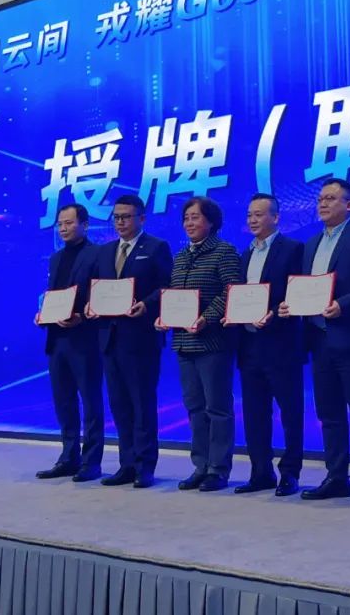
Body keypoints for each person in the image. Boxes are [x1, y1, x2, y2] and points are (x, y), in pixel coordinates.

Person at [279, 177, 350, 507]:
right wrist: (290, 305)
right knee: (329, 413)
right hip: (319, 339)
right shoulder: (311, 243)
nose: (322, 204)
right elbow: (307, 289)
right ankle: (336, 477)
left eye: (330, 198)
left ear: (349, 205)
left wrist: (344, 304)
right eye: (320, 199)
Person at [85, 194, 172, 489]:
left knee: (142, 404)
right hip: (109, 338)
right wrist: (90, 305)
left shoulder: (156, 247)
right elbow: (95, 289)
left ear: (141, 218)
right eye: (116, 217)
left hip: (141, 339)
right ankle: (126, 464)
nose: (120, 222)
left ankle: (145, 466)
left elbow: (167, 287)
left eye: (126, 217)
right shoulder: (105, 251)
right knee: (119, 405)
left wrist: (147, 304)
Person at [155, 196, 241, 492]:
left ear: (211, 222)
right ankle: (200, 465)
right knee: (194, 406)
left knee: (217, 408)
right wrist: (165, 317)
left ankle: (218, 469)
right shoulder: (181, 256)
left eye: (195, 217)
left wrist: (207, 317)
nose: (189, 223)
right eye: (186, 218)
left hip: (212, 342)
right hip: (184, 342)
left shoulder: (224, 252)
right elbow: (175, 295)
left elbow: (231, 292)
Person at [226, 193, 305, 496]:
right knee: (255, 412)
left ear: (276, 217)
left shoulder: (292, 249)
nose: (252, 220)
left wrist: (273, 314)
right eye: (249, 215)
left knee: (290, 412)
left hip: (281, 343)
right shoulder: (244, 254)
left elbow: (297, 294)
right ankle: (261, 471)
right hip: (249, 344)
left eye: (259, 215)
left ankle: (290, 473)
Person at [35, 203, 104, 483]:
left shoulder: (97, 254)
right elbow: (53, 295)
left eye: (69, 223)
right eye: (60, 224)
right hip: (57, 338)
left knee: (90, 401)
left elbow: (101, 297)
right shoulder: (55, 258)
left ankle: (92, 462)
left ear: (84, 225)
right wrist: (43, 314)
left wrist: (81, 317)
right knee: (63, 401)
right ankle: (68, 457)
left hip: (85, 338)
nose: (63, 228)